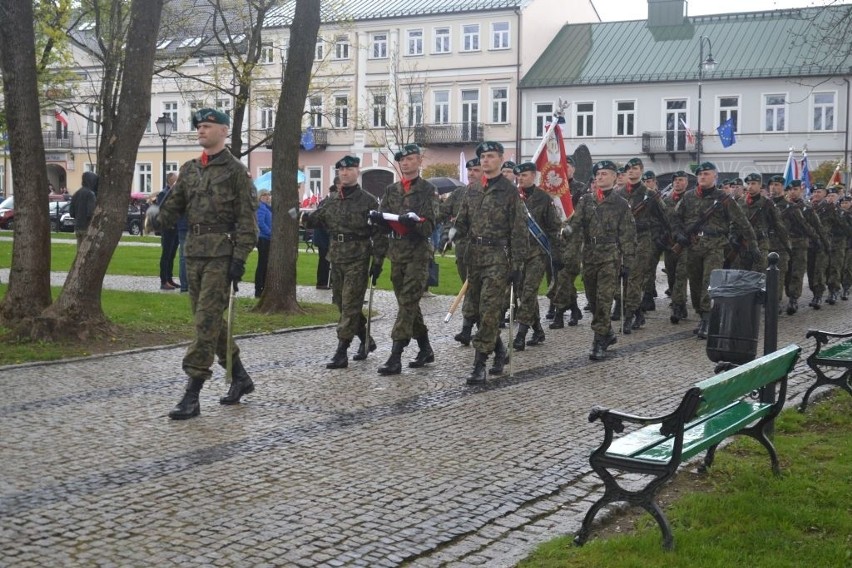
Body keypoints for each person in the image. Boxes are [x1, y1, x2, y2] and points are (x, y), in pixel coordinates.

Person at [152, 108, 259, 420]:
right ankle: (240, 377)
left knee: (204, 323)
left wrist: (238, 260)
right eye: (199, 125)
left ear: (224, 131)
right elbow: (172, 208)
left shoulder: (236, 171)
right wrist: (155, 218)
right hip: (193, 254)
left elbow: (247, 222)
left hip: (220, 256)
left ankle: (192, 392)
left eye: (208, 125)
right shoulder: (189, 170)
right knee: (211, 322)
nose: (201, 129)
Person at [453, 141, 528, 384]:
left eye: (491, 156)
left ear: (500, 159)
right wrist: (452, 232)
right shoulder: (472, 190)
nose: (486, 160)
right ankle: (499, 350)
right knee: (475, 311)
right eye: (483, 156)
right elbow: (463, 220)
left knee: (489, 311)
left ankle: (479, 363)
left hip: (498, 258)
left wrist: (517, 265)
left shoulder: (509, 191)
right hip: (474, 258)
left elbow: (519, 230)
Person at [304, 156, 380, 368]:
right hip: (336, 257)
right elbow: (315, 219)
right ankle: (366, 339)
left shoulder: (369, 201)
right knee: (341, 302)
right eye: (341, 170)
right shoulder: (332, 200)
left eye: (349, 169)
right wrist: (296, 213)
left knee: (350, 304)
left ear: (358, 171)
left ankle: (341, 350)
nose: (345, 173)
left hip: (358, 257)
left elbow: (379, 232)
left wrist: (379, 260)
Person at [370, 144, 439, 375]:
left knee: (408, 302)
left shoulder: (428, 190)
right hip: (397, 254)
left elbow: (430, 226)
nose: (405, 163)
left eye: (410, 159)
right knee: (407, 305)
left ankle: (395, 355)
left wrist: (414, 223)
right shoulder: (391, 190)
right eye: (402, 159)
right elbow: (383, 222)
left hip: (418, 255)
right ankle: (426, 348)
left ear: (419, 161)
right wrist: (378, 258)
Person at [671, 161, 757, 339]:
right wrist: (678, 234)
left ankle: (707, 319)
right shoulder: (688, 197)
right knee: (694, 283)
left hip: (715, 245)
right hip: (693, 246)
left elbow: (742, 222)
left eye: (707, 174)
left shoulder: (724, 199)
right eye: (700, 174)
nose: (702, 177)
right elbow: (675, 218)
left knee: (709, 282)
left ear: (715, 177)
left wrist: (753, 245)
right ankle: (701, 313)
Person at [568, 160, 636, 361]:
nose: (600, 177)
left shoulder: (621, 204)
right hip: (589, 255)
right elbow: (576, 225)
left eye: (605, 174)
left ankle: (598, 340)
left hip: (610, 256)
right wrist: (566, 236)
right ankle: (607, 333)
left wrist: (627, 263)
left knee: (605, 299)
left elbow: (628, 235)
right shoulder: (586, 201)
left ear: (615, 177)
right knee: (593, 300)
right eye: (597, 174)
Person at [511, 162, 561, 351]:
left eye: (524, 175)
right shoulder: (513, 197)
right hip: (517, 254)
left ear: (533, 176)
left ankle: (521, 335)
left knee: (529, 291)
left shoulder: (543, 198)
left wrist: (557, 254)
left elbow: (554, 227)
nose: (521, 178)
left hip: (537, 253)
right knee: (521, 293)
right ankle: (538, 329)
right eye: (519, 176)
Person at [438, 158, 482, 345]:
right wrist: (445, 236)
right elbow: (445, 216)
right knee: (470, 288)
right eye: (469, 170)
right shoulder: (459, 194)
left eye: (476, 170)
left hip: (485, 251)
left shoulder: (490, 194)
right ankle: (476, 329)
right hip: (464, 251)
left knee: (476, 290)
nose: (471, 173)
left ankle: (469, 329)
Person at [664, 171, 690, 323]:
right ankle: (679, 301)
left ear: (686, 183)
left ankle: (678, 306)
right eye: (675, 180)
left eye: (681, 180)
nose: (677, 183)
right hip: (670, 244)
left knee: (681, 275)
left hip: (685, 244)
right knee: (672, 275)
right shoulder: (666, 201)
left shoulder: (690, 199)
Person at [313, 178, 339, 289]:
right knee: (324, 260)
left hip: (327, 236)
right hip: (323, 236)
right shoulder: (327, 202)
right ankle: (322, 282)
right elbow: (322, 220)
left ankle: (329, 281)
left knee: (329, 260)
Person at [157, 173, 180, 290]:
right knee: (166, 255)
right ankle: (163, 280)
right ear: (170, 181)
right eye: (175, 180)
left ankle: (170, 278)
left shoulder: (174, 193)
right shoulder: (164, 193)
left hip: (175, 227)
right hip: (168, 228)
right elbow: (162, 209)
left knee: (172, 255)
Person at [69, 171, 97, 246]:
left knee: (79, 250)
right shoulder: (90, 194)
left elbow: (71, 212)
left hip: (78, 226)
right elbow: (90, 212)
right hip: (87, 227)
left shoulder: (76, 193)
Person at [254, 189, 272, 298]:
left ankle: (263, 286)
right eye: (264, 195)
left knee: (265, 264)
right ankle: (259, 288)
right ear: (260, 196)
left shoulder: (267, 207)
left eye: (268, 195)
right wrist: (270, 233)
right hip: (263, 238)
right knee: (262, 264)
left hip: (267, 238)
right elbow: (260, 223)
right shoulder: (260, 206)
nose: (267, 196)